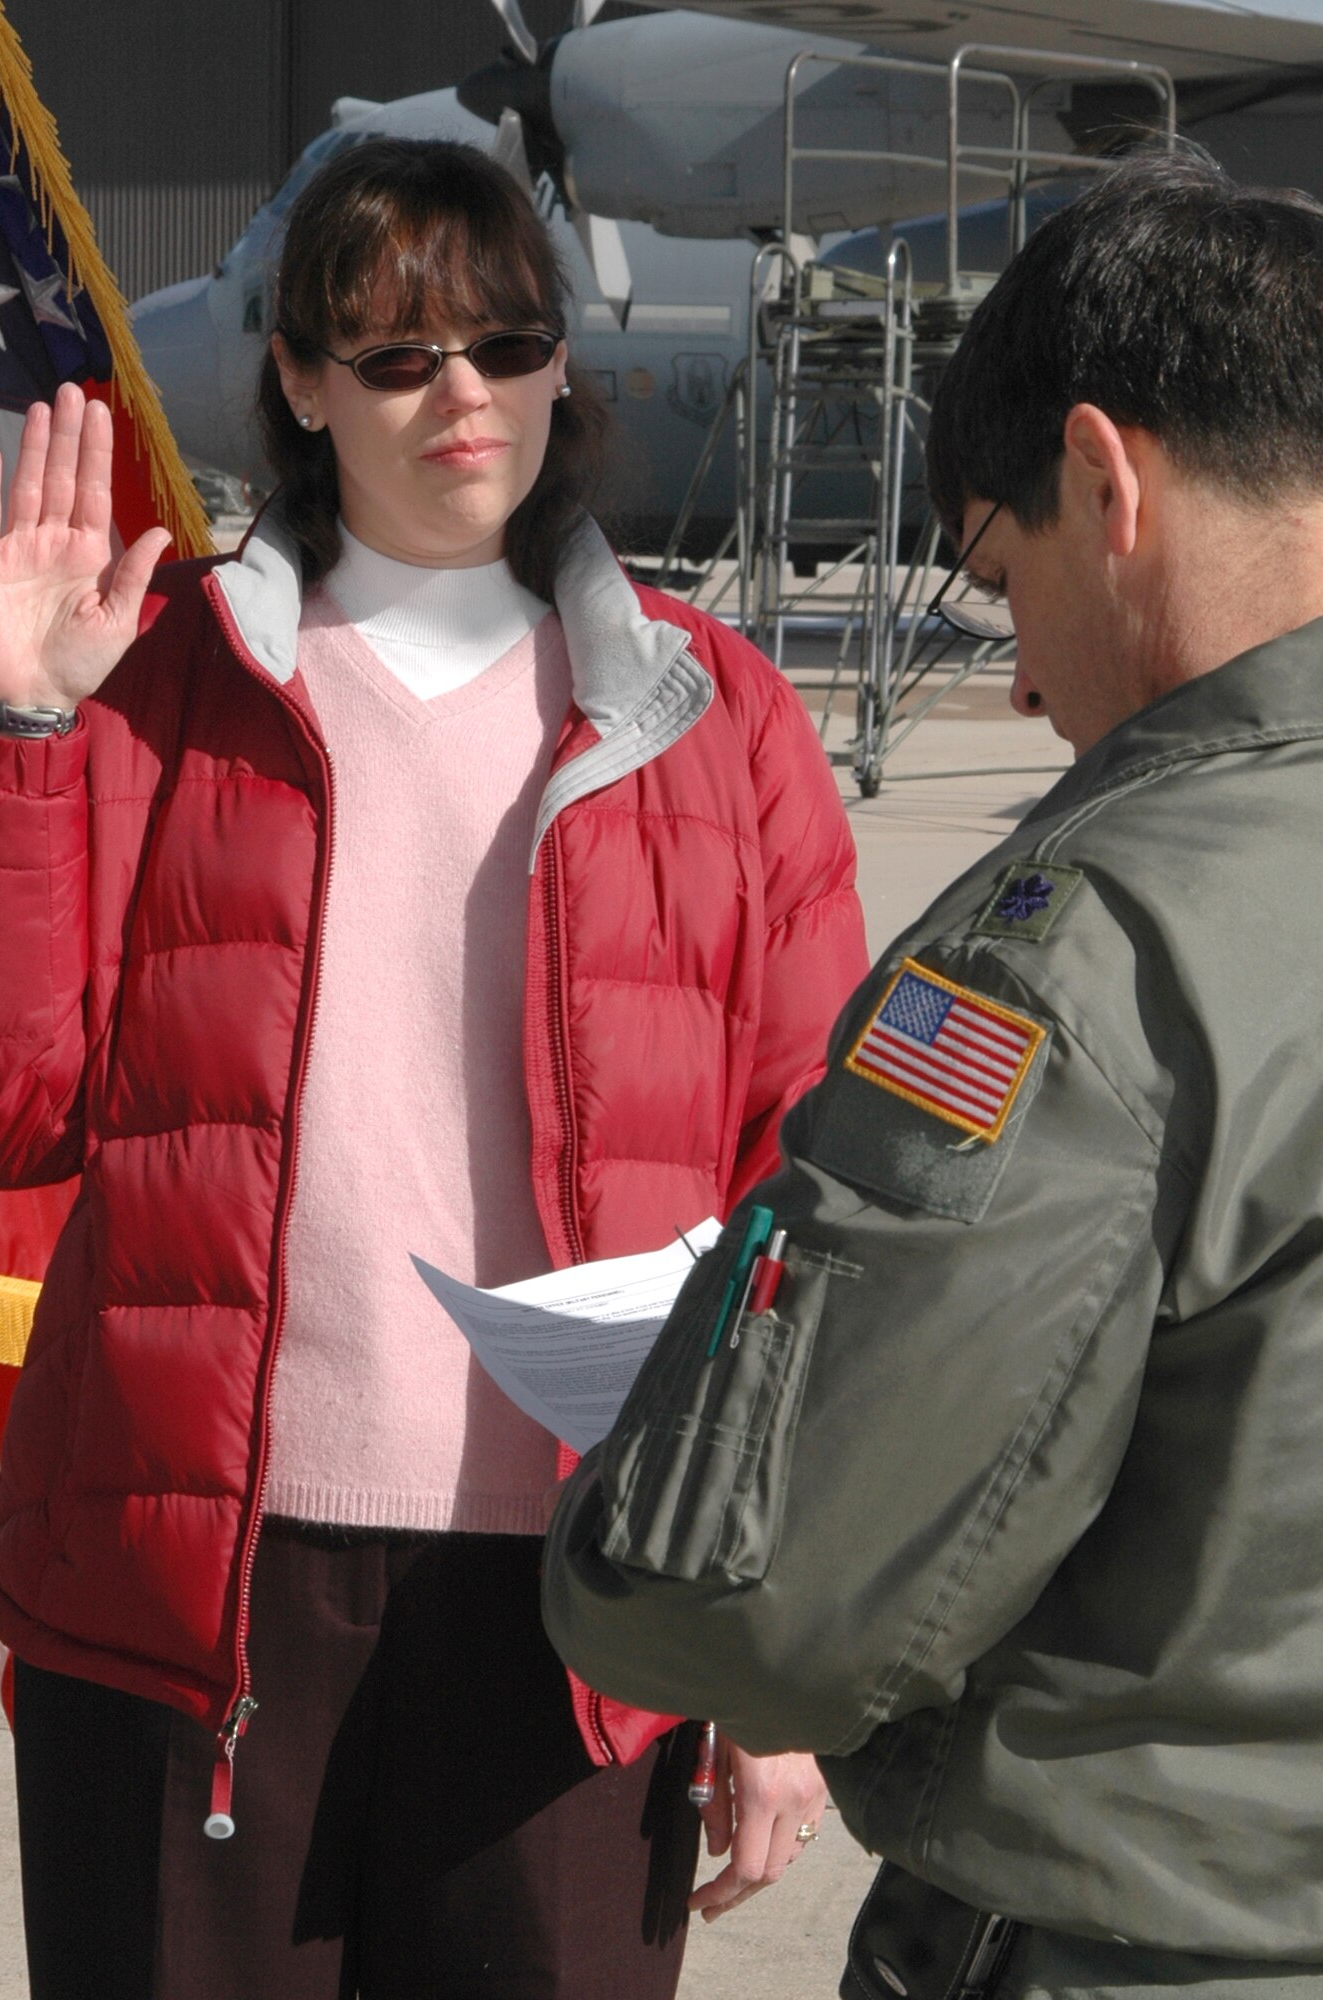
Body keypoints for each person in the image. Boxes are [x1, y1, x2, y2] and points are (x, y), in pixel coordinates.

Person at [0, 139, 866, 1999]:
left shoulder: (719, 726)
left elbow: (807, 1207)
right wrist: (11, 725)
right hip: (190, 1592)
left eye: (503, 341)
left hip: (576, 1603)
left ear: (564, 367)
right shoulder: (152, 690)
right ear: (305, 386)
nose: (458, 393)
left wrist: (764, 1653)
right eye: (393, 356)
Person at [541, 146, 1323, 2000]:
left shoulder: (1086, 959)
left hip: (1143, 1941)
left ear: (1101, 480)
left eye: (991, 570)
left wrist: (611, 1535)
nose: (1029, 685)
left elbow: (765, 1601)